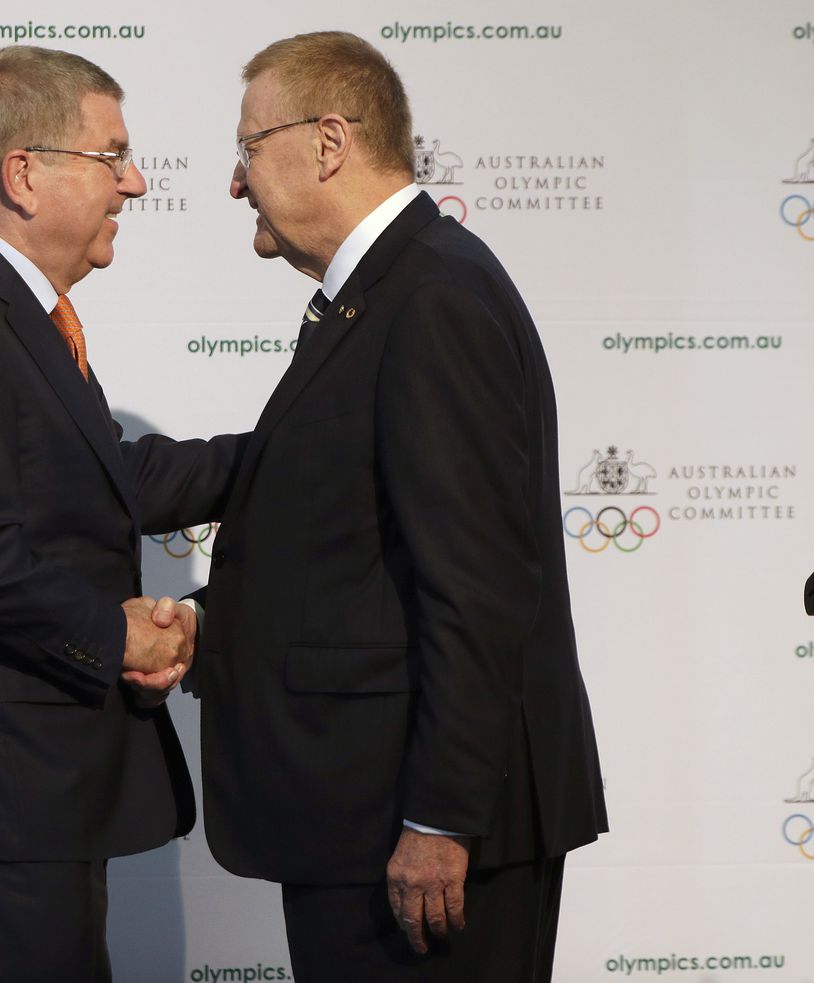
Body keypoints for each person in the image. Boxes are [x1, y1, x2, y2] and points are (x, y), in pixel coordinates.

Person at [188, 31, 608, 982]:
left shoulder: (432, 297)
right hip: (364, 818)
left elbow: (478, 583)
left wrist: (441, 817)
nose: (235, 181)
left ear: (329, 142)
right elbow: (350, 553)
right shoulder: (387, 291)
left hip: (424, 839)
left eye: (249, 147)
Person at [0, 45, 242, 983]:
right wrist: (117, 634)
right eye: (113, 157)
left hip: (21, 794)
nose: (135, 183)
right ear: (23, 173)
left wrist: (285, 455)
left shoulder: (1, 310)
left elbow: (100, 479)